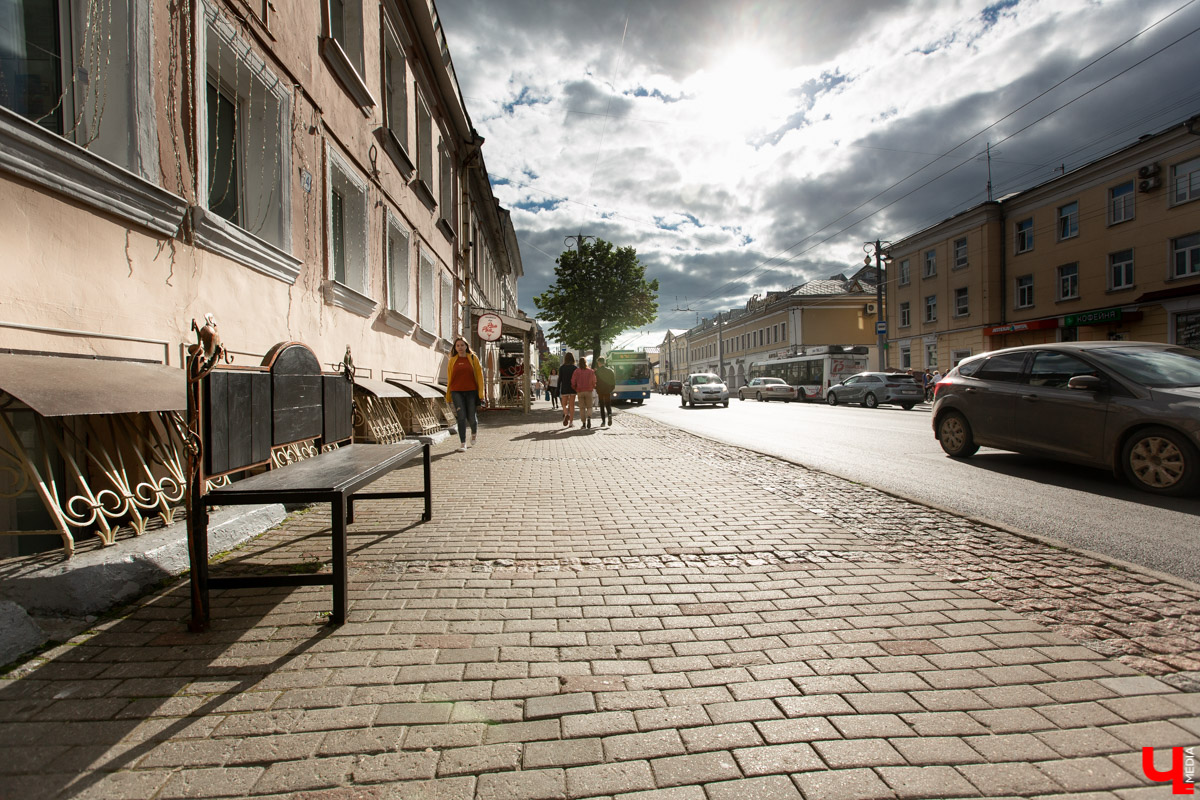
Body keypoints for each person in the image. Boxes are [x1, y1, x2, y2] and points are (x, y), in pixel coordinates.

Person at [444, 337, 485, 452]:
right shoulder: (452, 360)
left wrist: (480, 393)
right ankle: (463, 443)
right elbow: (450, 378)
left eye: (462, 345)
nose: (460, 347)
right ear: (455, 348)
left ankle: (474, 433)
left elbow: (480, 376)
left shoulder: (473, 358)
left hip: (471, 391)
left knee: (471, 417)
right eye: (457, 346)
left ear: (466, 346)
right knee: (461, 417)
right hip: (456, 391)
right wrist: (448, 395)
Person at [572, 356, 598, 429]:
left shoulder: (576, 371)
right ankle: (589, 417)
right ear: (586, 362)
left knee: (582, 408)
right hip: (588, 390)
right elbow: (594, 380)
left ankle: (583, 423)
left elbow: (573, 381)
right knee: (589, 406)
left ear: (579, 363)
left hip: (580, 391)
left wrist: (575, 388)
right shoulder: (590, 371)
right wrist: (592, 386)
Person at [595, 356, 616, 428]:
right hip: (607, 391)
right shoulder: (610, 371)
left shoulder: (597, 372)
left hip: (600, 391)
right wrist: (610, 390)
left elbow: (595, 382)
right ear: (604, 362)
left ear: (599, 363)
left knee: (601, 406)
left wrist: (597, 389)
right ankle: (609, 414)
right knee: (608, 405)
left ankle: (603, 422)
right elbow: (613, 383)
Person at [558, 353, 577, 426]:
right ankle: (571, 422)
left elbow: (560, 380)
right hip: (573, 388)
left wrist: (558, 388)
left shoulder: (562, 368)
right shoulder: (575, 368)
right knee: (572, 405)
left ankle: (566, 414)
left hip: (564, 388)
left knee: (564, 404)